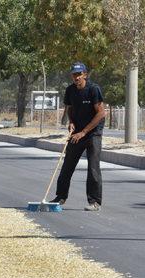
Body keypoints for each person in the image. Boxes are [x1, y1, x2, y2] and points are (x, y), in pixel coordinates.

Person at [51, 62, 106, 212]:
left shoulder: (93, 90)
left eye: (79, 74)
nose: (76, 77)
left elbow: (101, 113)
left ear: (85, 75)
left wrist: (84, 132)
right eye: (74, 75)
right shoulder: (70, 90)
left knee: (93, 167)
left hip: (93, 133)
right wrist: (72, 123)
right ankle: (60, 197)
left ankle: (94, 201)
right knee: (67, 164)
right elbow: (70, 109)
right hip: (77, 132)